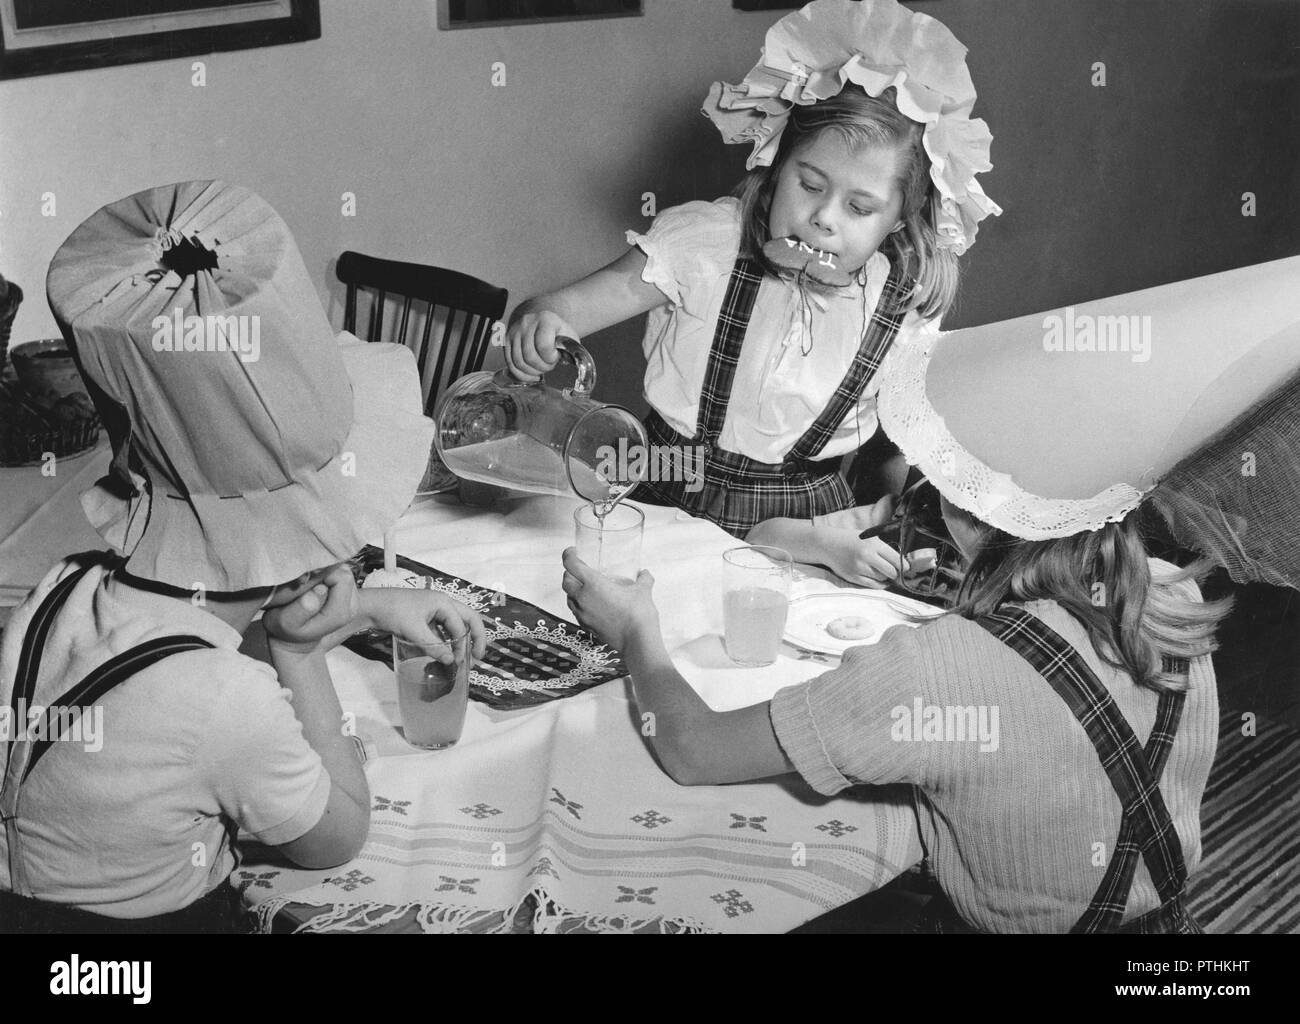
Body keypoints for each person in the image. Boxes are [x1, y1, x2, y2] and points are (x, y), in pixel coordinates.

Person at [559, 252, 1300, 933]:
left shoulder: (937, 667)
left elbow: (691, 750)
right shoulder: (1172, 599)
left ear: (966, 504)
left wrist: (636, 630)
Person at [0, 181, 485, 934]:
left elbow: (166, 656)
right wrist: (301, 655)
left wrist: (363, 607)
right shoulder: (227, 701)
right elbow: (338, 836)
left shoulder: (63, 588)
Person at [505, 0, 1000, 589]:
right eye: (809, 183)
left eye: (860, 207)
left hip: (810, 526)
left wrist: (896, 537)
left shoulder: (901, 310)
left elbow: (896, 450)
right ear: (775, 163)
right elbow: (569, 307)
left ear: (900, 218)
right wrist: (541, 320)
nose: (822, 217)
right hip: (666, 476)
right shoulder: (708, 243)